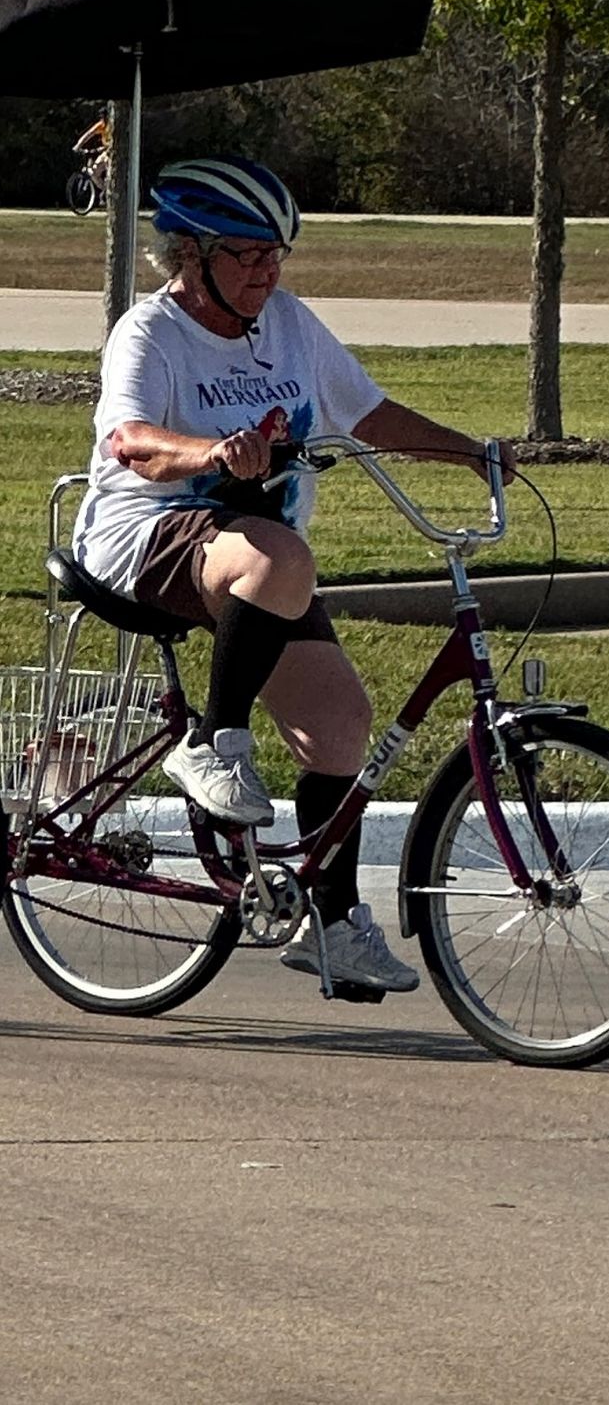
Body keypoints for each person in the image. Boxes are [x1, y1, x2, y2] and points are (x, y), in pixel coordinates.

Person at [72, 156, 515, 994]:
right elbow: (128, 441)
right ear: (191, 256)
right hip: (147, 537)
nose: (268, 270)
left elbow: (370, 413)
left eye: (277, 253)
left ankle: (336, 924)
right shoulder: (152, 332)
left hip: (254, 564)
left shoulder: (289, 324)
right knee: (284, 556)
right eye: (247, 254)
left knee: (342, 722)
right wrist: (211, 452)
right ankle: (212, 743)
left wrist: (473, 452)